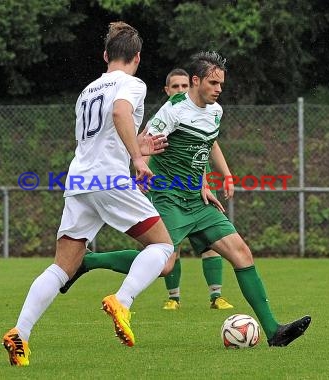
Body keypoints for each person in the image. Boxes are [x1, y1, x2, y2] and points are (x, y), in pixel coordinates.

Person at [61, 51, 312, 347]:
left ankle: (274, 331)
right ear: (196, 81)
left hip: (198, 199)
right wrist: (140, 171)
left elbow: (204, 146)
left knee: (242, 253)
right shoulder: (173, 110)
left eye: (221, 83)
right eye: (213, 82)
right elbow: (142, 144)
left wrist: (213, 180)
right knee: (164, 265)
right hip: (169, 197)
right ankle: (87, 262)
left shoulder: (216, 111)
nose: (219, 88)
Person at [1, 21, 175, 366]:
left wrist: (136, 147)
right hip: (109, 179)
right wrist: (139, 158)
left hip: (80, 179)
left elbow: (101, 138)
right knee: (164, 250)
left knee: (63, 266)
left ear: (106, 54)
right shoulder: (132, 84)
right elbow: (120, 112)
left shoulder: (88, 90)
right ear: (137, 58)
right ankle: (122, 301)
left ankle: (20, 333)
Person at [160, 68, 235, 310]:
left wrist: (219, 178)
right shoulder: (170, 115)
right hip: (170, 190)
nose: (181, 91)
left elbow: (204, 147)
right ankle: (174, 297)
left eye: (184, 86)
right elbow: (152, 149)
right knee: (170, 250)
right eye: (176, 87)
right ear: (167, 91)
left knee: (210, 243)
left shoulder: (208, 112)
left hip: (196, 188)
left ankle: (216, 295)